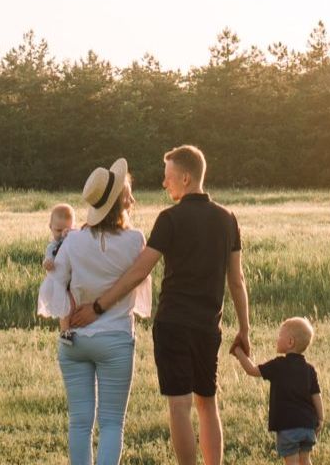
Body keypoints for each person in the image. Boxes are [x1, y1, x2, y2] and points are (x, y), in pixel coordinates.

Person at [63, 145, 249, 465]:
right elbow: (237, 280)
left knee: (179, 406)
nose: (165, 184)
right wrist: (244, 328)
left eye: (168, 178)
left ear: (186, 178)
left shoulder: (170, 219)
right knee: (208, 402)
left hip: (174, 325)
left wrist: (98, 306)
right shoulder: (227, 219)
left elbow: (139, 271)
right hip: (209, 326)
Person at [53, 159, 151, 465]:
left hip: (75, 340)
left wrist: (65, 323)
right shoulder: (135, 240)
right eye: (128, 194)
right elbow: (141, 286)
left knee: (79, 423)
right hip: (116, 339)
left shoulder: (72, 240)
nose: (132, 200)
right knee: (111, 423)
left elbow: (58, 286)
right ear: (120, 202)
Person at [234, 316, 322, 463]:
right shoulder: (309, 369)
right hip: (308, 426)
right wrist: (320, 418)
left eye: (280, 335)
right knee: (305, 460)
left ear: (290, 342)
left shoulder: (278, 365)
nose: (277, 338)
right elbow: (316, 395)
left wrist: (238, 351)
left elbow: (252, 370)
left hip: (288, 427)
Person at [38, 201, 77, 322]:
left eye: (66, 230)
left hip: (74, 280)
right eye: (58, 230)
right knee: (63, 309)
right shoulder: (52, 247)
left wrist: (71, 235)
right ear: (50, 227)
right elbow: (48, 259)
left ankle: (76, 327)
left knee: (75, 306)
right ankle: (65, 332)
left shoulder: (73, 240)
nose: (62, 234)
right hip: (59, 282)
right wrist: (47, 263)